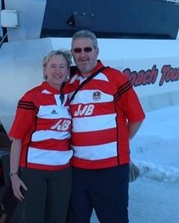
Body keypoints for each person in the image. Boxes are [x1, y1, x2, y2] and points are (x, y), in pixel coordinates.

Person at [67, 30, 145, 223]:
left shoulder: (115, 78)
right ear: (72, 53)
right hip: (78, 171)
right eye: (77, 50)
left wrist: (120, 142)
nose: (83, 54)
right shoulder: (68, 84)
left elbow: (136, 117)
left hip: (111, 170)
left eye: (88, 49)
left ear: (97, 51)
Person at [9, 50, 73, 223]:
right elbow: (17, 139)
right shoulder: (31, 97)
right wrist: (14, 175)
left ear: (68, 71)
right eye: (53, 66)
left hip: (63, 171)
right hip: (34, 170)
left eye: (62, 66)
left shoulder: (71, 96)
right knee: (33, 218)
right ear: (44, 70)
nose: (57, 71)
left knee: (58, 218)